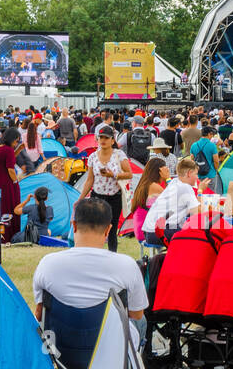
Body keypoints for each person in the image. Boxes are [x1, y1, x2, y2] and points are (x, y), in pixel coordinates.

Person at [32, 196, 149, 343]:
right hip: (110, 350)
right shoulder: (127, 265)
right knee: (141, 321)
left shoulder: (47, 264)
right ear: (108, 230)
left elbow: (39, 314)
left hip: (63, 352)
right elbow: (136, 314)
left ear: (73, 225)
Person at [80, 127, 132, 252]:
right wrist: (81, 198)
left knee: (112, 229)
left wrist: (113, 175)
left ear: (112, 141)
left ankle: (112, 256)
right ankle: (94, 253)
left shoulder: (119, 155)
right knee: (95, 228)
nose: (103, 140)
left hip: (114, 196)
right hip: (97, 196)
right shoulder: (92, 157)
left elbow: (129, 174)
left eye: (106, 138)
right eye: (101, 137)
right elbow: (89, 180)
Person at [143, 156, 203, 241]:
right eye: (196, 174)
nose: (197, 177)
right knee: (197, 235)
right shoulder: (185, 187)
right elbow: (198, 212)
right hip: (159, 231)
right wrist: (200, 191)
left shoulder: (174, 183)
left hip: (149, 231)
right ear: (189, 173)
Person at [0, 127, 23, 242]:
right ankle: (10, 235)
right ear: (11, 139)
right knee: (11, 207)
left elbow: (6, 159)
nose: (16, 143)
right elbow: (10, 169)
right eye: (16, 141)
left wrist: (18, 150)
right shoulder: (8, 150)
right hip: (7, 183)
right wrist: (15, 181)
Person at [128, 157, 169, 243]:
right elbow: (172, 198)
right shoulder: (154, 186)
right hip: (147, 232)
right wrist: (167, 179)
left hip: (141, 230)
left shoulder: (145, 184)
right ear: (160, 172)